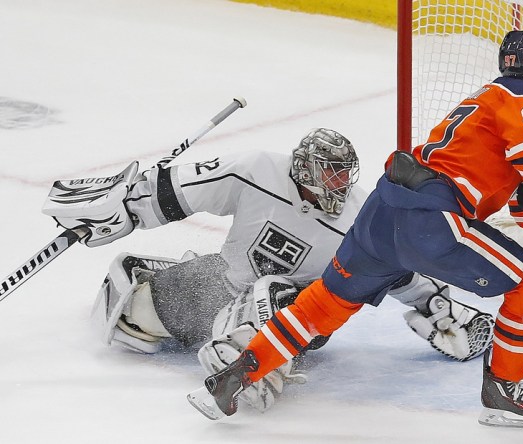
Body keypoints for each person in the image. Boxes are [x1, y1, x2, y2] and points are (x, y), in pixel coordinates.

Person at [194, 30, 523, 428]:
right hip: (434, 219)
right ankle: (503, 393)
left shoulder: (484, 107)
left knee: (321, 305)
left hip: (383, 212)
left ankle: (237, 374)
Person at [45, 128, 494, 413]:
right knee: (132, 318)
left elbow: (402, 273)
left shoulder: (360, 218)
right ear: (303, 168)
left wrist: (442, 315)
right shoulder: (257, 170)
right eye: (329, 174)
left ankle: (251, 368)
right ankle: (192, 318)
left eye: (344, 175)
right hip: (221, 284)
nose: (338, 185)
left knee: (271, 291)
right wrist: (123, 206)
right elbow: (177, 192)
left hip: (299, 318)